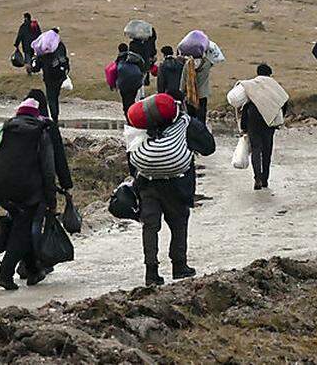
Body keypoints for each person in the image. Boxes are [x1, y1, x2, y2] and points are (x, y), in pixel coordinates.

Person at [127, 93, 215, 286]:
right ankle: (179, 266)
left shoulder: (143, 126)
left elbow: (132, 155)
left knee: (150, 226)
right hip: (178, 184)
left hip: (147, 184)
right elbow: (209, 148)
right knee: (178, 224)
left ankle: (151, 272)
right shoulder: (187, 124)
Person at [0, 98, 59, 291]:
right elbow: (48, 169)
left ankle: (33, 269)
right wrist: (52, 199)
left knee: (19, 226)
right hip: (28, 191)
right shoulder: (41, 132)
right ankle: (5, 274)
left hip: (2, 188)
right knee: (22, 232)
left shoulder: (5, 129)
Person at [228, 64, 289, 191]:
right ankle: (265, 179)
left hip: (253, 118)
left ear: (257, 73)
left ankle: (257, 178)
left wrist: (243, 126)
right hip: (270, 119)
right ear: (270, 74)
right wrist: (280, 118)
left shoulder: (251, 85)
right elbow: (284, 100)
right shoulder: (274, 85)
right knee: (267, 149)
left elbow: (244, 106)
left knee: (256, 148)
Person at [32, 29, 69, 122]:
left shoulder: (42, 50)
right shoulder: (60, 46)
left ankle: (54, 117)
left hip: (48, 77)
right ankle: (55, 116)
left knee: (51, 97)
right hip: (60, 75)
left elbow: (36, 67)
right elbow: (65, 59)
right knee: (55, 96)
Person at [112, 43, 146, 114]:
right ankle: (133, 114)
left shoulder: (119, 58)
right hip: (135, 81)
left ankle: (128, 114)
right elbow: (142, 65)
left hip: (124, 83)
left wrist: (114, 84)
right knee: (132, 98)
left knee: (125, 100)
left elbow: (114, 71)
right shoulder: (134, 57)